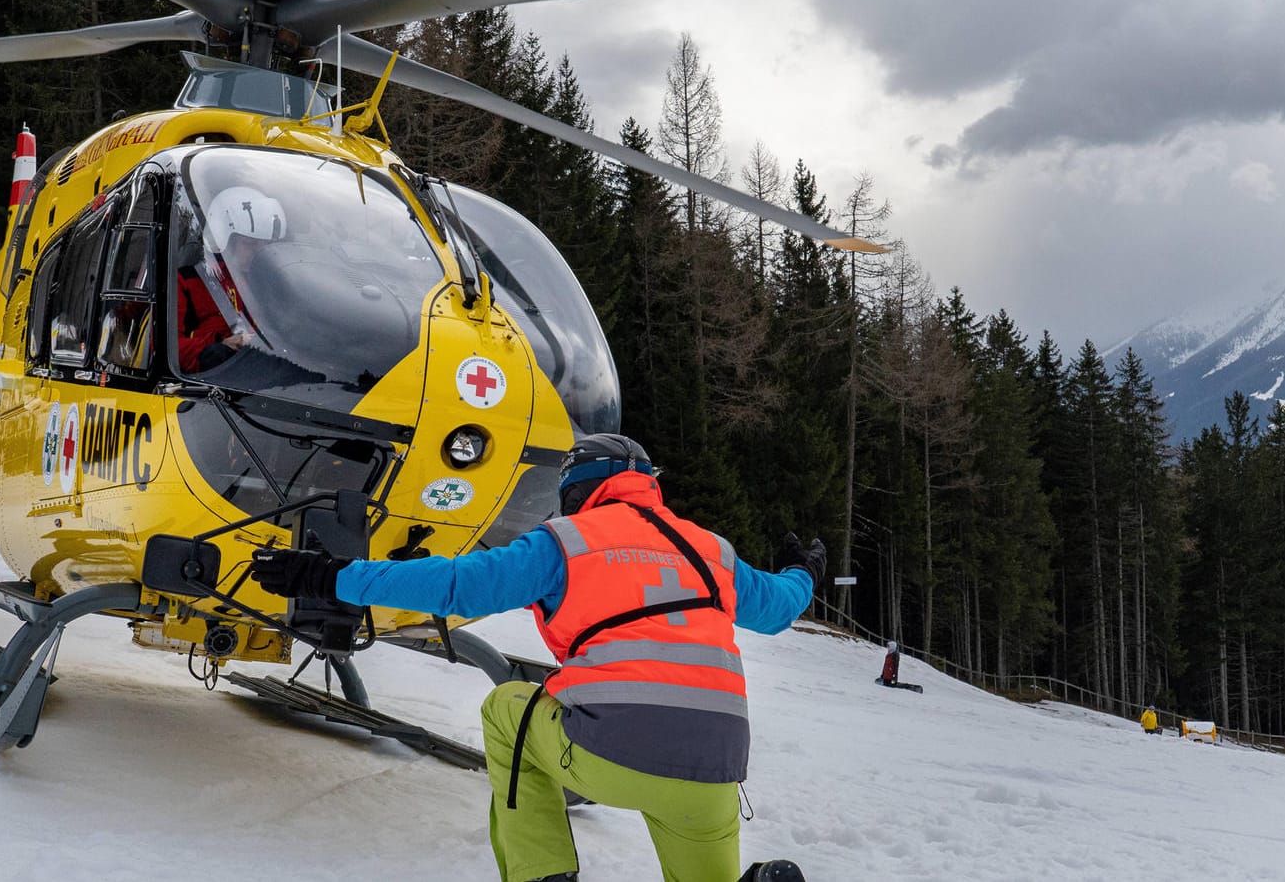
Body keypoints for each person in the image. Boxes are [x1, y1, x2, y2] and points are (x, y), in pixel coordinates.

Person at [251, 433, 821, 882]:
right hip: (714, 768)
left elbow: (455, 586)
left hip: (609, 752)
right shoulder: (711, 550)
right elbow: (778, 609)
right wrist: (807, 570)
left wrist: (330, 576)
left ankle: (541, 873)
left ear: (576, 490)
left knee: (506, 707)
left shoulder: (567, 541)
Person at [176, 186, 283, 373]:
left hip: (267, 370)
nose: (258, 253)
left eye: (264, 246)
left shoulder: (268, 282)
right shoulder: (187, 281)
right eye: (249, 244)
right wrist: (221, 347)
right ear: (222, 239)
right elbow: (165, 348)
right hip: (215, 382)